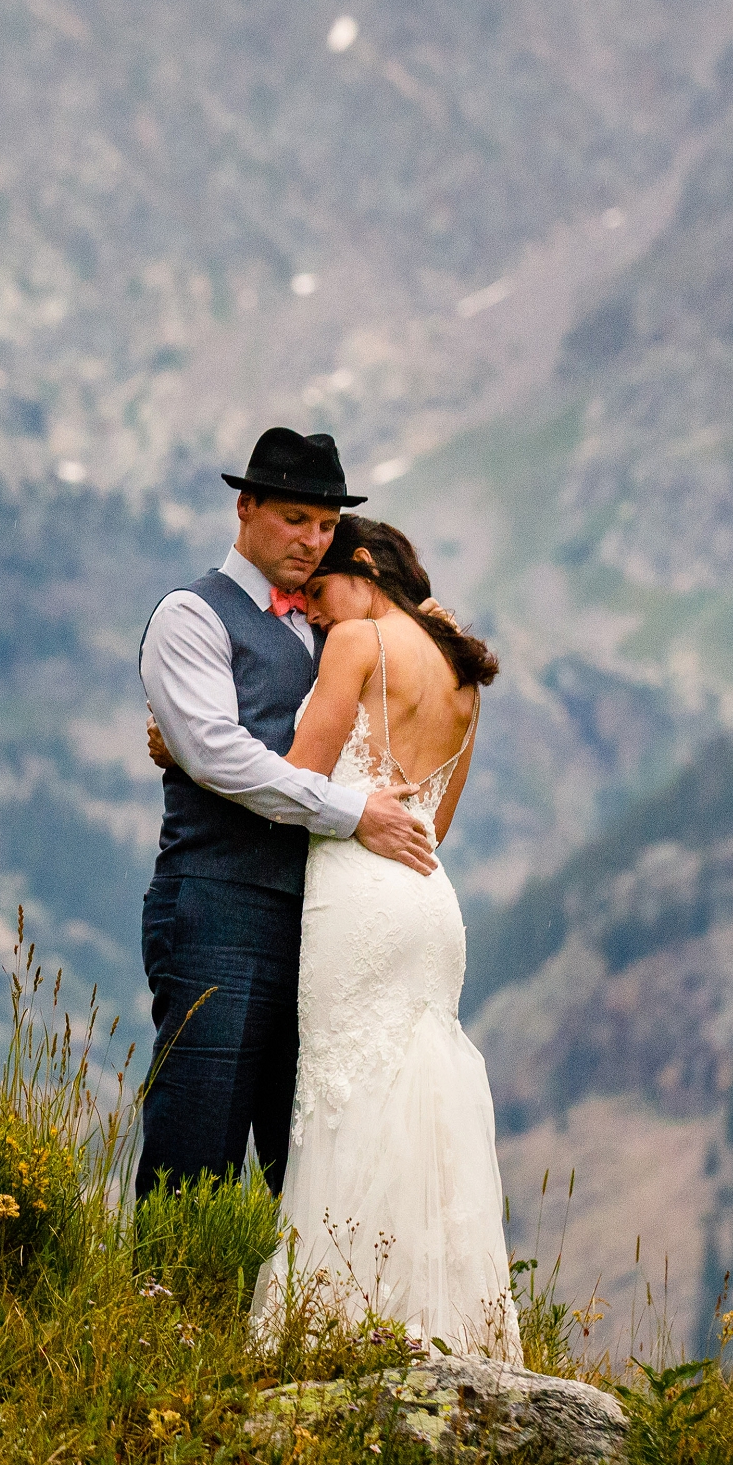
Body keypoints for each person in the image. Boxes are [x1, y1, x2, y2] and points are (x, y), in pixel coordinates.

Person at [134, 428, 442, 1203]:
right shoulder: (191, 615)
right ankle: (158, 1317)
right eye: (296, 518)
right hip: (216, 908)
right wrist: (352, 813)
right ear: (246, 506)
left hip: (319, 926)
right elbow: (219, 756)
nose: (313, 540)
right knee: (194, 1151)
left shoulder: (335, 626)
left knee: (300, 1168)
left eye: (328, 525)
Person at [248, 514, 515, 1359]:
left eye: (318, 592)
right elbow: (435, 825)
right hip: (431, 904)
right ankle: (441, 1327)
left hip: (358, 899)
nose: (314, 613)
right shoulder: (464, 681)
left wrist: (191, 755)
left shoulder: (359, 641)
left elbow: (298, 782)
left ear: (361, 568)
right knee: (419, 1100)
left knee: (343, 1101)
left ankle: (330, 1327)